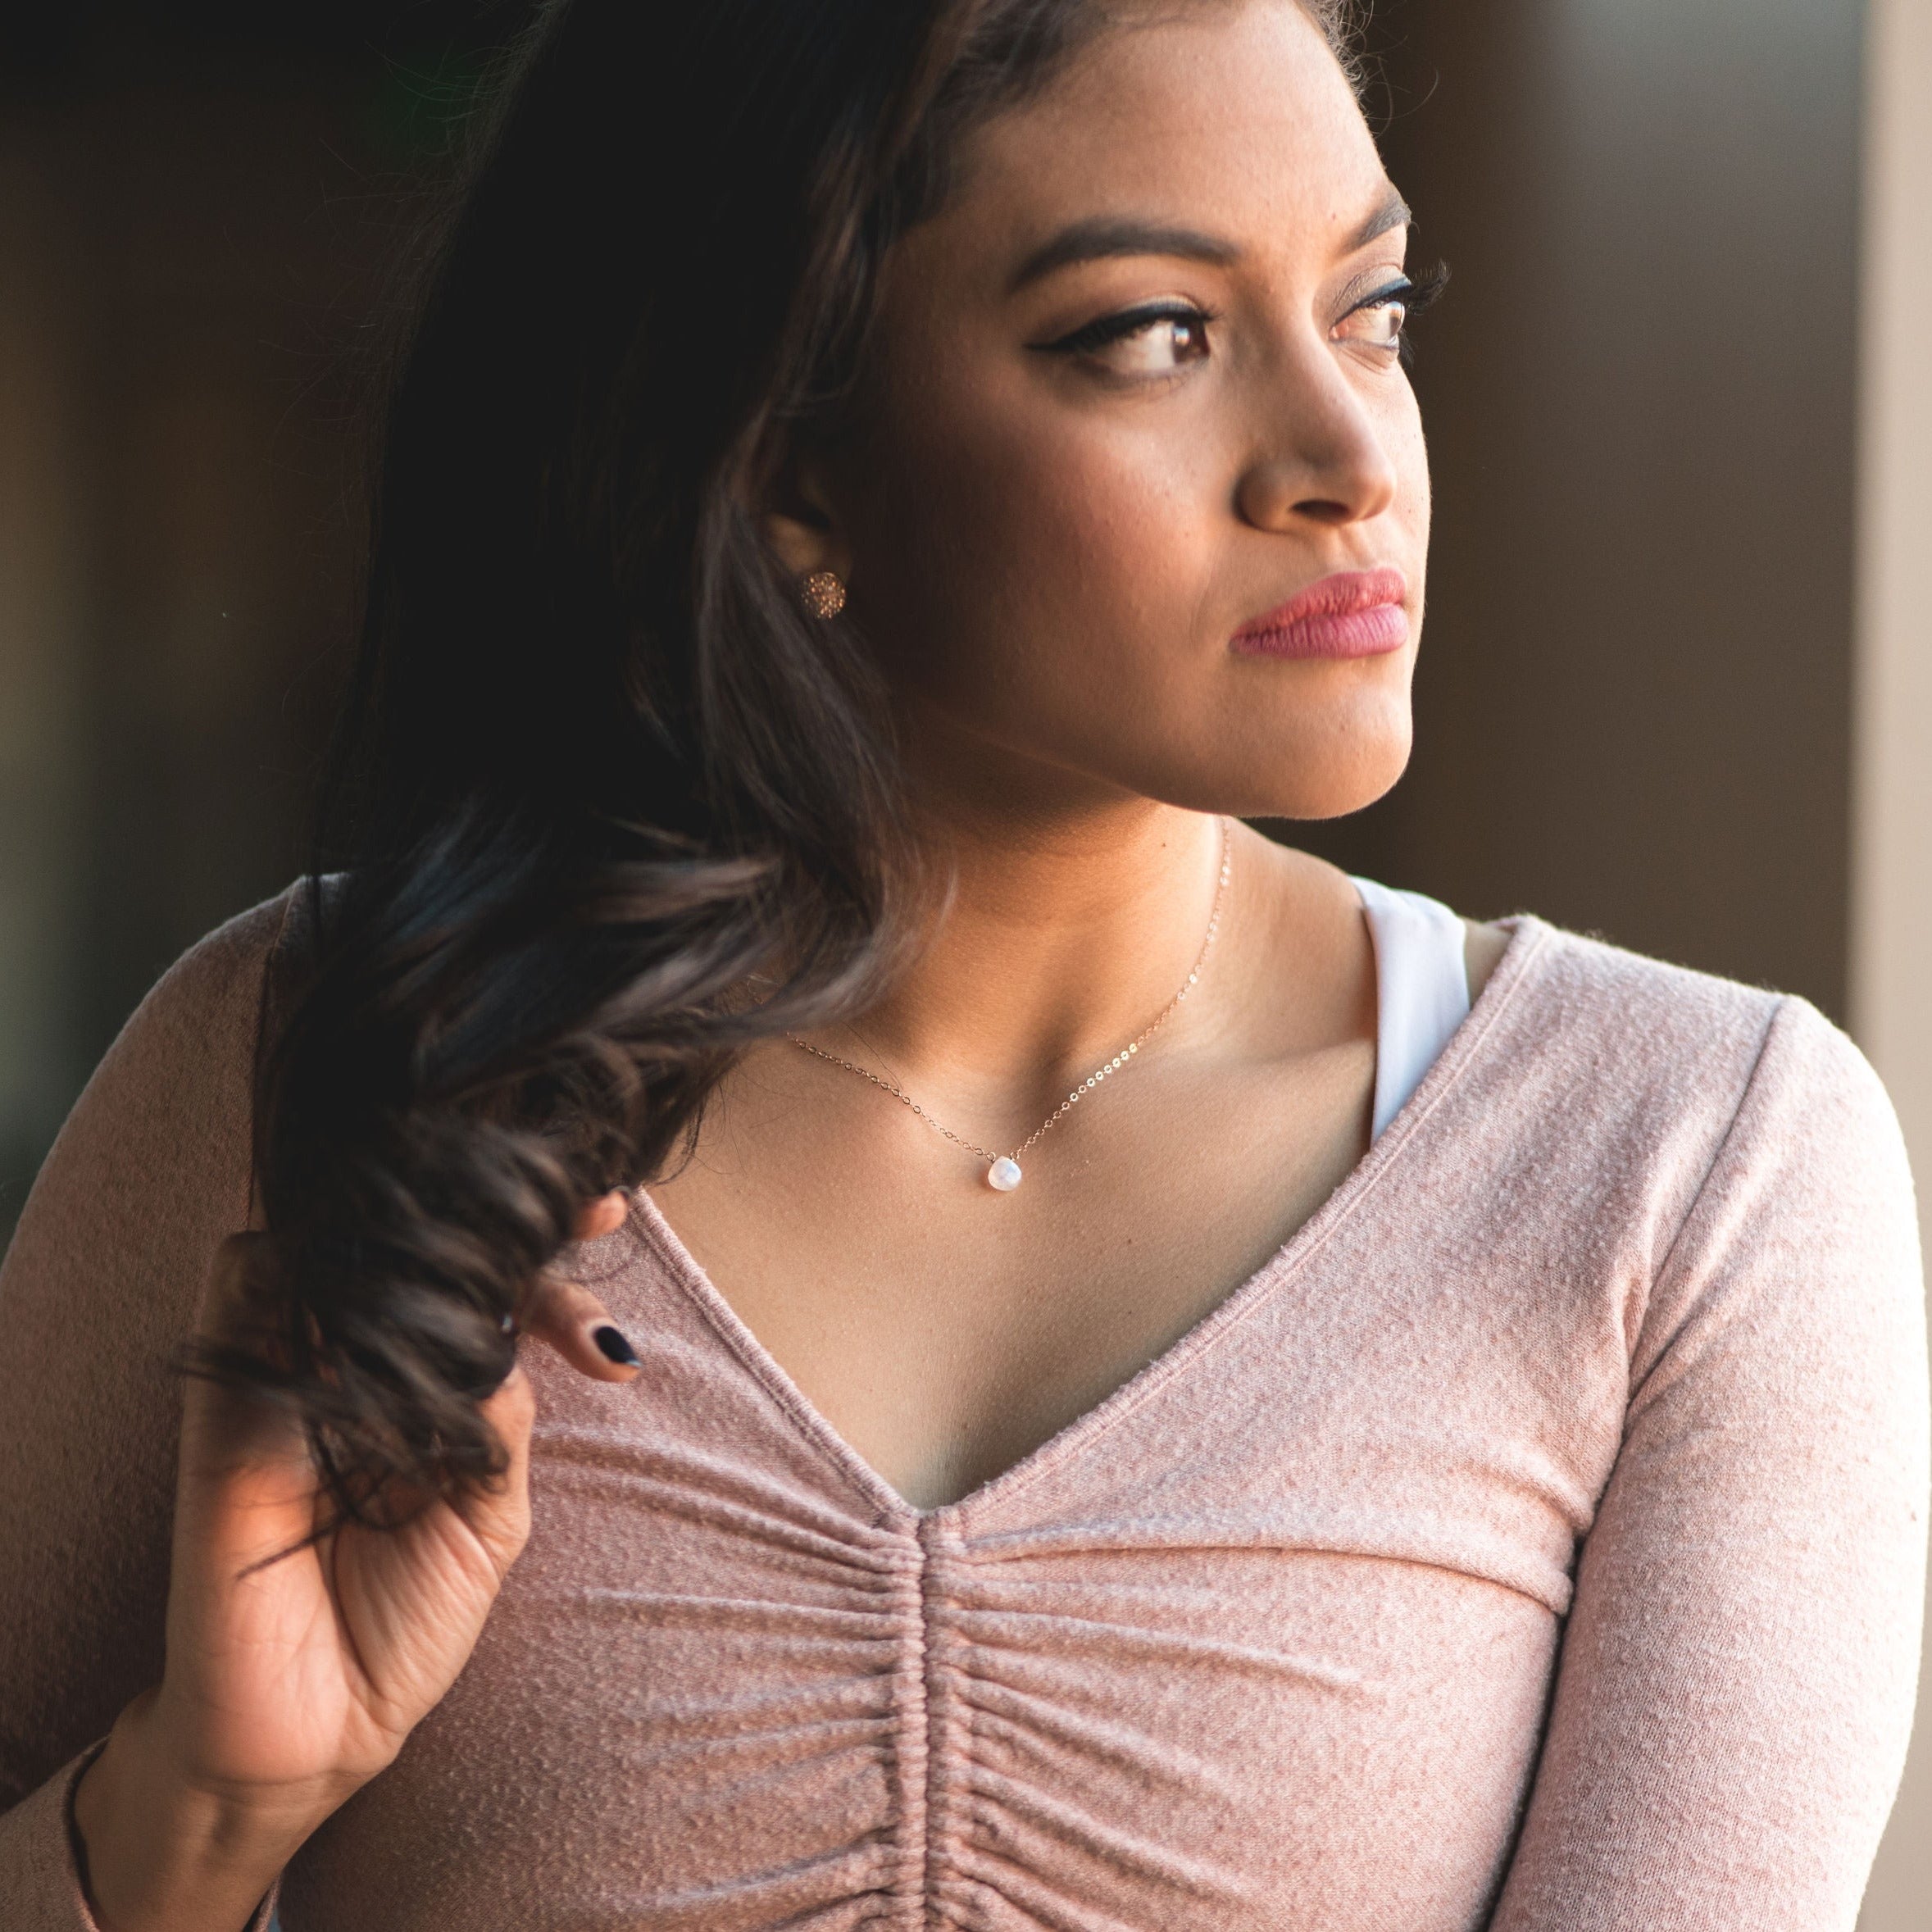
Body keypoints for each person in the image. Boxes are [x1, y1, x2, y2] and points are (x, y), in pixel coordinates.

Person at [1, 0, 1925, 1926]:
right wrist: (189, 1815)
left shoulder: (1689, 1169)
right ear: (784, 460)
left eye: (1375, 308)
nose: (1350, 457)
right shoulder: (317, 1072)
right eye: (1153, 334)